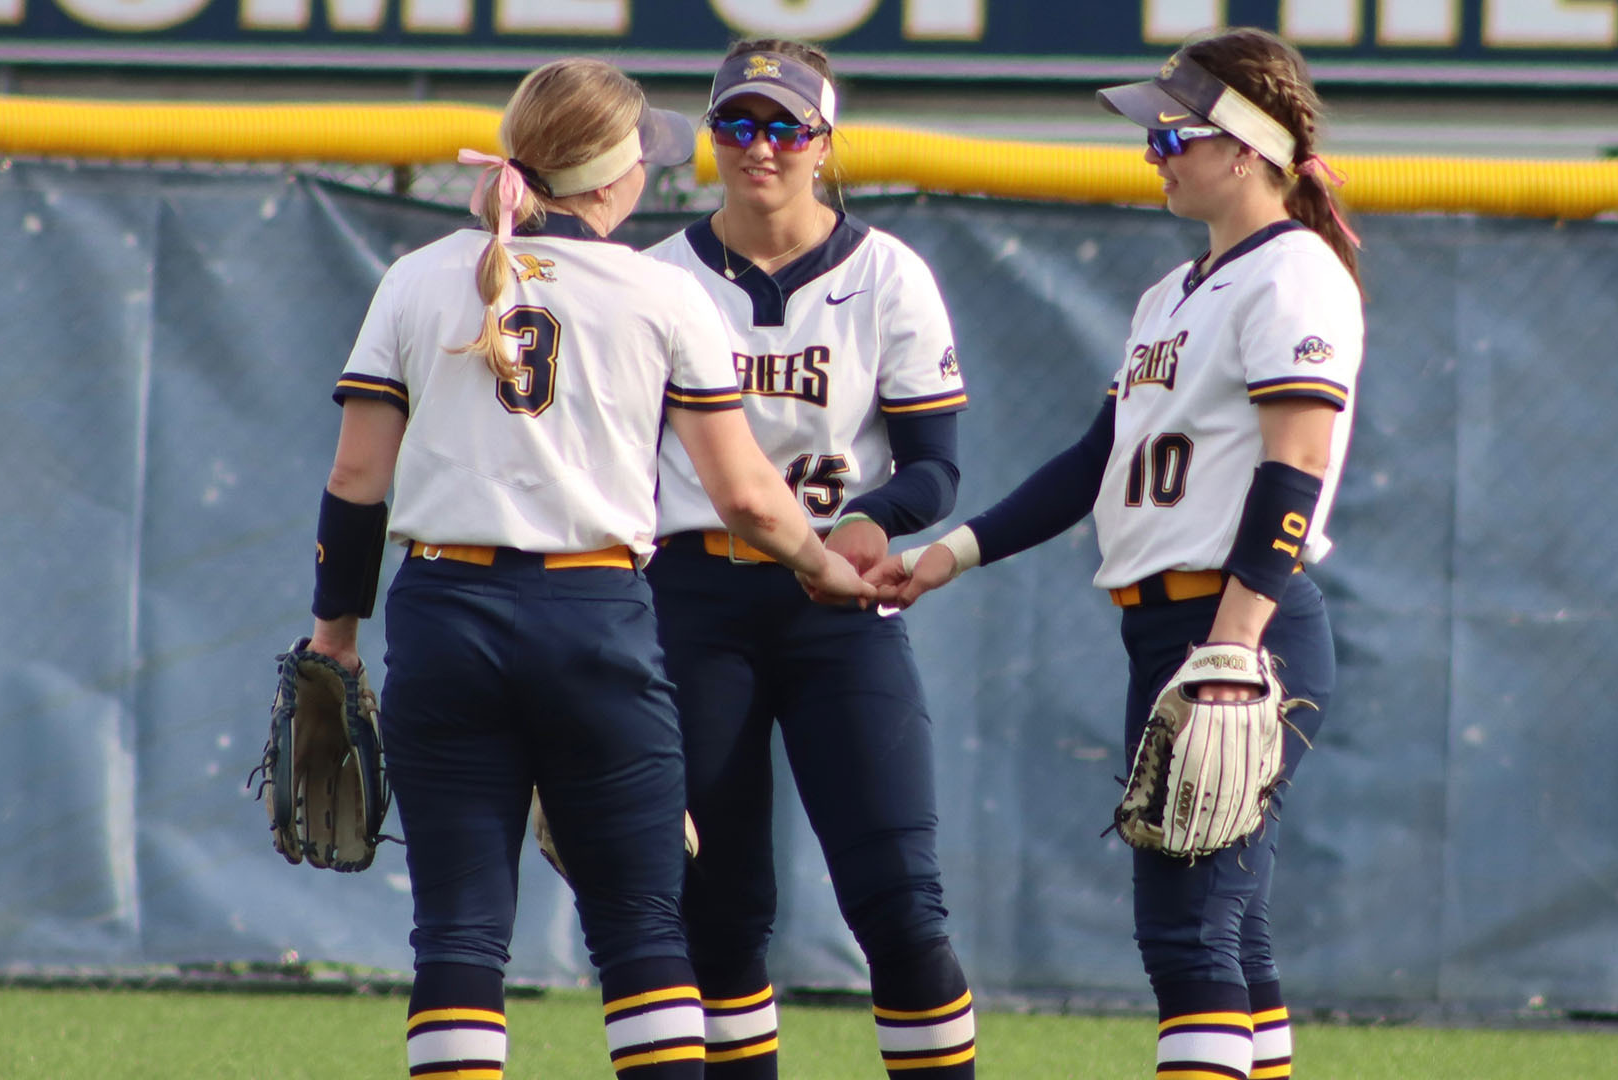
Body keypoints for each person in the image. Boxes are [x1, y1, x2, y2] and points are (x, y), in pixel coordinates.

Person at [301, 57, 872, 1080]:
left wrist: (334, 635)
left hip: (445, 612)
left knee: (460, 934)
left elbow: (355, 477)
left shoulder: (420, 275)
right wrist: (821, 565)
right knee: (642, 932)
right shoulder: (660, 291)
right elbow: (744, 495)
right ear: (614, 176)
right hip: (593, 616)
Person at [869, 27, 1364, 1080]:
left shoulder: (1293, 275)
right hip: (1167, 630)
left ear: (1243, 149)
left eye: (1173, 135)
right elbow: (1095, 460)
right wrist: (946, 555)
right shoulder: (1175, 291)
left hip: (1240, 629)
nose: (1154, 154)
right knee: (1230, 933)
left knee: (1186, 932)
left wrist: (1235, 643)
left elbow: (1300, 461)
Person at [641, 39, 978, 1080]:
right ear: (709, 137)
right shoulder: (658, 277)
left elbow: (933, 467)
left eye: (785, 126)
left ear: (825, 143)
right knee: (717, 909)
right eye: (737, 124)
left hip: (837, 607)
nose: (760, 147)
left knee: (898, 902)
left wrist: (871, 525)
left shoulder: (885, 274)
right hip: (693, 596)